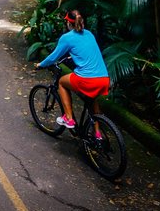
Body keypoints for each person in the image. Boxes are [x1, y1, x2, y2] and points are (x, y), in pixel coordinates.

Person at [36, 10, 110, 138]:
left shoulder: (67, 38)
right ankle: (97, 133)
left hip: (87, 79)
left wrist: (41, 65)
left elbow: (53, 57)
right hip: (103, 78)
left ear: (68, 23)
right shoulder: (89, 34)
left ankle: (69, 118)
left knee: (62, 82)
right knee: (92, 99)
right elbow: (87, 51)